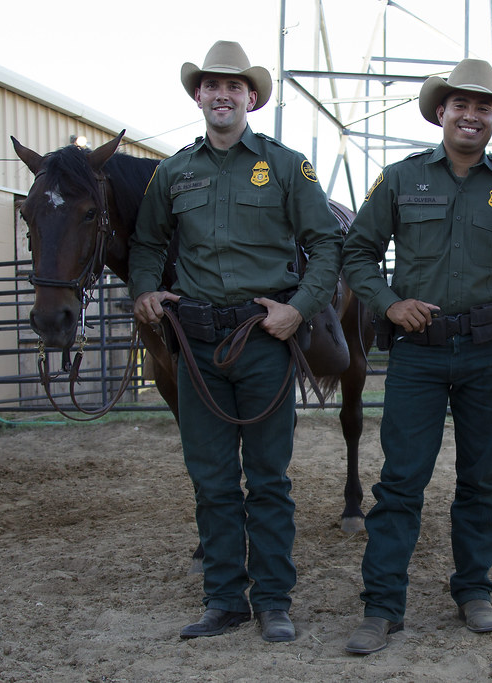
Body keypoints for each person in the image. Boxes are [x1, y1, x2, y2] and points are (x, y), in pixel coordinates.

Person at [340, 58, 492, 654]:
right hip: (418, 356)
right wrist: (390, 304)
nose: (472, 114)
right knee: (400, 482)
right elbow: (357, 253)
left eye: (484, 107)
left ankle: (474, 591)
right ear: (440, 111)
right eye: (461, 104)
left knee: (479, 481)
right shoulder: (400, 179)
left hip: (489, 353)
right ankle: (382, 607)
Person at [128, 40, 343, 642]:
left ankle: (273, 599)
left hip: (264, 339)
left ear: (251, 97)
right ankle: (224, 600)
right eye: (211, 86)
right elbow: (146, 245)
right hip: (196, 346)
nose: (222, 95)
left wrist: (299, 310)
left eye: (234, 86)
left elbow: (326, 245)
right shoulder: (174, 172)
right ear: (198, 96)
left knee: (269, 478)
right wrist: (145, 288)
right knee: (213, 480)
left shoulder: (286, 164)